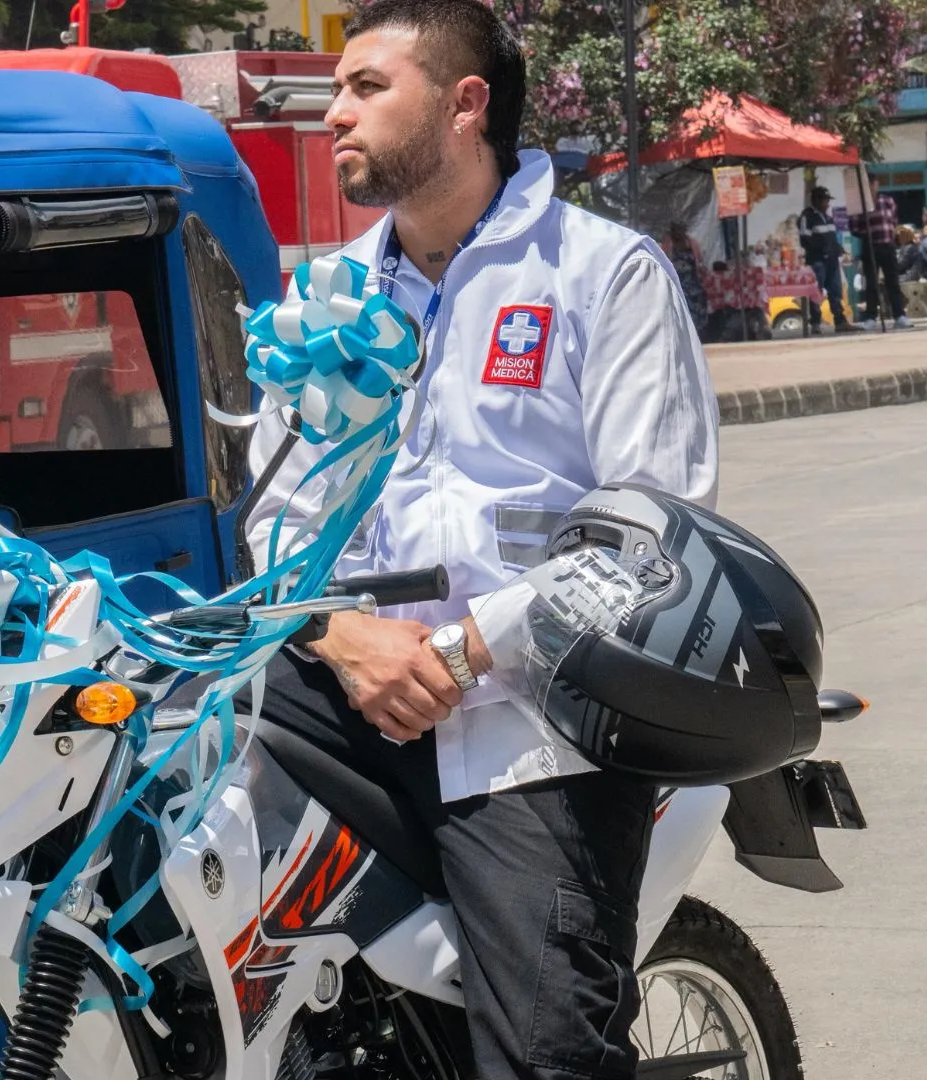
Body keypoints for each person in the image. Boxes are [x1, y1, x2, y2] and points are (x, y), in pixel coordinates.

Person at [247, 1, 719, 1075]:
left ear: (466, 107)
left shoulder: (603, 273)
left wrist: (464, 652)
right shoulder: (323, 299)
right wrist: (337, 633)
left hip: (531, 728)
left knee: (546, 1052)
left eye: (367, 86)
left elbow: (652, 540)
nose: (334, 113)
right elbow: (277, 519)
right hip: (348, 699)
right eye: (338, 89)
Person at [853, 176, 912, 330]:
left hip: (888, 246)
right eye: (869, 184)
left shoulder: (887, 201)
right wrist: (867, 232)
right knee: (871, 283)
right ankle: (871, 317)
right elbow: (854, 227)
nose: (872, 187)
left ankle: (899, 315)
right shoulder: (861, 205)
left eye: (874, 184)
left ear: (877, 184)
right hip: (871, 247)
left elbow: (893, 222)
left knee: (892, 282)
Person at [798, 186, 854, 332]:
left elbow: (832, 238)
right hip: (817, 260)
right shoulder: (807, 217)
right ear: (816, 200)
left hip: (832, 260)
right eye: (825, 200)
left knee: (835, 290)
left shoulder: (828, 217)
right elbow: (805, 239)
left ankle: (840, 321)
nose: (827, 204)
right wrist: (822, 249)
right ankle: (815, 323)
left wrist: (839, 249)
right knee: (816, 292)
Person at [661, 222, 709, 336]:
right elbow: (664, 260)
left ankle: (699, 333)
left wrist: (702, 268)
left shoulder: (690, 242)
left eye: (682, 230)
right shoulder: (668, 243)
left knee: (698, 306)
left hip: (693, 282)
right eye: (677, 230)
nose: (680, 233)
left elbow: (699, 259)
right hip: (678, 283)